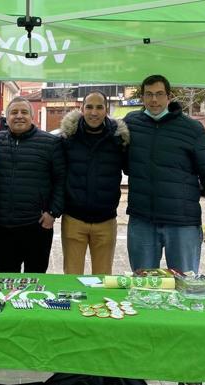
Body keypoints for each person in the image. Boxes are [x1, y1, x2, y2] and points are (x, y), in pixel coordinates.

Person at [124, 74, 205, 274]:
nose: (154, 100)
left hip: (182, 224)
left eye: (159, 94)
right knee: (143, 288)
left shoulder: (191, 129)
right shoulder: (131, 124)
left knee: (184, 286)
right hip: (142, 221)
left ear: (169, 97)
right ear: (143, 98)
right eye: (149, 94)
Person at [0, 97, 66, 273]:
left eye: (24, 112)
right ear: (6, 118)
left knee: (36, 282)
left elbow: (61, 180)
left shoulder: (50, 143)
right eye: (14, 112)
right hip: (4, 228)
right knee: (7, 283)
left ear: (33, 117)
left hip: (37, 226)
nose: (19, 116)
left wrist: (53, 212)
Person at [59, 91, 129, 275]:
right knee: (72, 278)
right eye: (89, 107)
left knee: (103, 278)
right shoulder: (68, 138)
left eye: (99, 107)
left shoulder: (118, 139)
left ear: (106, 110)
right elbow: (58, 175)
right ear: (82, 109)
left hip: (106, 220)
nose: (94, 112)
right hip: (74, 219)